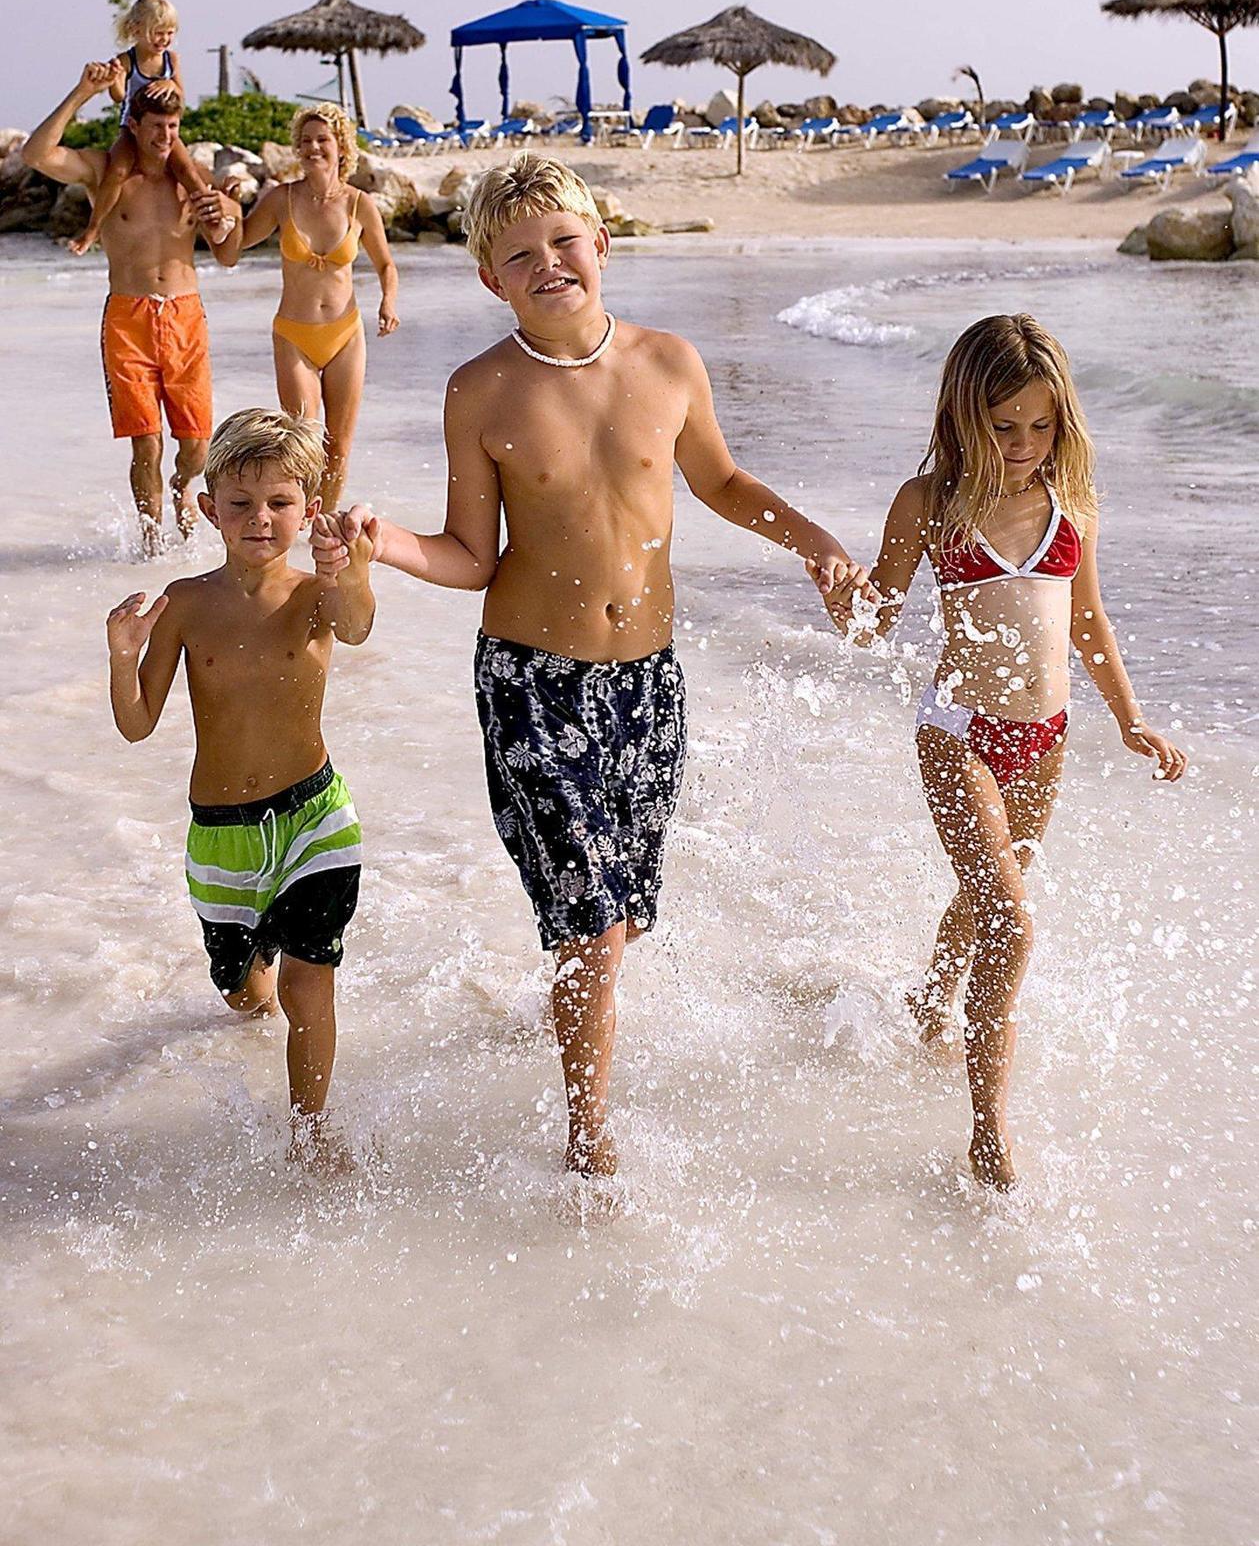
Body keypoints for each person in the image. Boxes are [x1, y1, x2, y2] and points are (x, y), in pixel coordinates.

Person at [313, 152, 871, 1179]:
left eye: (563, 243)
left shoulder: (668, 363)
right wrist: (380, 542)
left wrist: (817, 547)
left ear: (600, 245)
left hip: (647, 682)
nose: (546, 265)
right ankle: (587, 1145)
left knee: (620, 919)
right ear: (490, 279)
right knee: (596, 929)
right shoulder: (479, 391)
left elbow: (723, 480)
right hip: (532, 682)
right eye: (517, 255)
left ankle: (571, 1010)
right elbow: (470, 557)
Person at [830, 314, 1186, 1190]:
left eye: (1041, 424)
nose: (1025, 444)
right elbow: (879, 617)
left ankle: (928, 995)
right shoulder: (931, 505)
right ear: (962, 417)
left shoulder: (1072, 505)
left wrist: (1127, 719)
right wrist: (848, 603)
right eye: (1003, 427)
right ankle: (987, 1133)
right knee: (1012, 918)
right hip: (960, 734)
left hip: (1047, 739)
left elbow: (1089, 624)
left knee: (989, 894)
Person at [105, 410, 375, 1165]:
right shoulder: (186, 603)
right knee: (243, 994)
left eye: (281, 503)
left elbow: (355, 626)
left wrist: (350, 566)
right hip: (222, 830)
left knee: (308, 984)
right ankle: (250, 985)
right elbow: (136, 724)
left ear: (308, 509)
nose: (261, 519)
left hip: (315, 817)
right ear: (207, 508)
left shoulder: (316, 594)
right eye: (241, 503)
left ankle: (310, 1134)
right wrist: (123, 656)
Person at [23, 63, 240, 553]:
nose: (165, 137)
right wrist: (82, 91)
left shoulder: (192, 182)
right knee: (147, 441)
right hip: (128, 319)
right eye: (156, 127)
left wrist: (230, 217)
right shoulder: (104, 173)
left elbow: (226, 254)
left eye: (173, 127)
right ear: (134, 127)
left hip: (185, 315)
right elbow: (35, 153)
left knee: (197, 447)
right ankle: (151, 546)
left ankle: (185, 488)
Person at [220, 103, 398, 512]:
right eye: (305, 141)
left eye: (322, 140)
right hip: (294, 335)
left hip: (345, 334)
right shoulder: (280, 199)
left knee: (339, 447)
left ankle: (322, 528)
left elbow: (386, 264)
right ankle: (295, 524)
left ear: (340, 147)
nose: (313, 148)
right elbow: (234, 248)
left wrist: (388, 302)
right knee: (302, 440)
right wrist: (228, 213)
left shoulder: (359, 204)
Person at [68, 0, 217, 258]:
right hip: (131, 129)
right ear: (137, 30)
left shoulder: (171, 60)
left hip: (164, 132)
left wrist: (170, 83)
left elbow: (181, 96)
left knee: (189, 172)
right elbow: (118, 97)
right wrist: (114, 78)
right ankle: (93, 229)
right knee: (117, 172)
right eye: (157, 32)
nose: (164, 39)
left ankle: (213, 222)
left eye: (169, 32)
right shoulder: (128, 60)